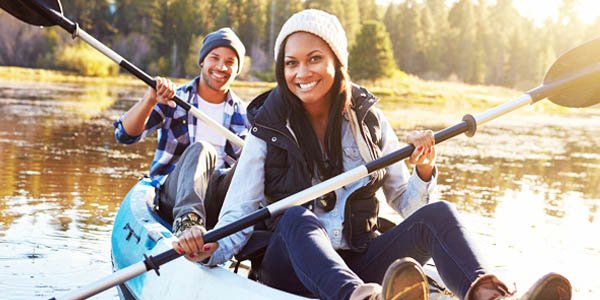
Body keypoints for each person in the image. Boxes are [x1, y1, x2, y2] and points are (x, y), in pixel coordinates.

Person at [172, 10, 573, 300]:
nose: (301, 72)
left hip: (361, 258)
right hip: (291, 265)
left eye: (315, 59)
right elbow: (238, 216)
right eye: (291, 63)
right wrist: (209, 249)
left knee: (439, 214)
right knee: (295, 216)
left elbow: (408, 204)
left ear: (337, 63)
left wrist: (425, 170)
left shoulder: (368, 120)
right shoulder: (267, 126)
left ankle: (489, 295)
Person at [114, 28, 250, 236]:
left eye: (230, 62)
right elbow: (124, 135)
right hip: (174, 194)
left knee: (253, 158)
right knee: (202, 150)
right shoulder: (174, 98)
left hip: (219, 201)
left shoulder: (244, 113)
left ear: (237, 69)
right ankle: (188, 223)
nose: (221, 67)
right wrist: (150, 100)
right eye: (215, 58)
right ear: (203, 61)